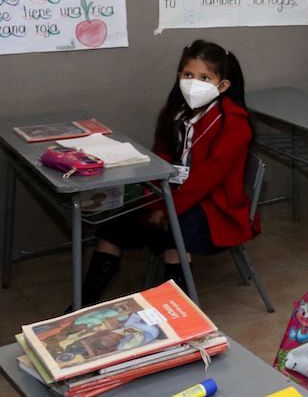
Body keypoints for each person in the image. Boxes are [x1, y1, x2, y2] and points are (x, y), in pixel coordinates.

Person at [79, 40, 255, 304]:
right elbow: (160, 157)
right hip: (169, 195)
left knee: (175, 235)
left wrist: (166, 208)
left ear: (223, 85)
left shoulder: (233, 123)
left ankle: (175, 313)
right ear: (178, 76)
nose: (194, 83)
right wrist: (154, 202)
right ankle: (83, 304)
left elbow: (206, 180)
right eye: (188, 75)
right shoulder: (177, 112)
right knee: (113, 227)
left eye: (205, 78)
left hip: (214, 206)